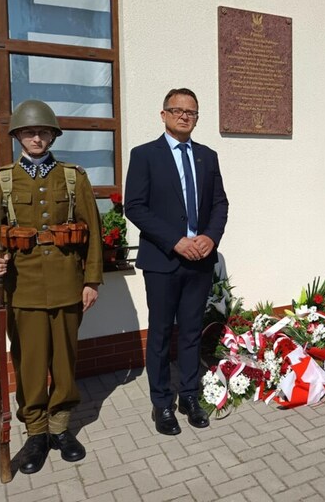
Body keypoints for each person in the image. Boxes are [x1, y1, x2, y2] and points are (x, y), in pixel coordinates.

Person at [0, 99, 103, 474]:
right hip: (22, 289)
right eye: (28, 132)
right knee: (30, 363)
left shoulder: (73, 178)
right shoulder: (2, 181)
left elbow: (93, 233)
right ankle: (36, 432)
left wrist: (91, 280)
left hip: (68, 285)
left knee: (65, 362)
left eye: (42, 132)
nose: (36, 138)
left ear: (53, 135)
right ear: (17, 136)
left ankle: (60, 427)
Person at [124, 87, 228, 436]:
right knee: (160, 333)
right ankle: (162, 403)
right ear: (164, 114)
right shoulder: (144, 155)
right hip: (163, 260)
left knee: (192, 332)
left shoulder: (207, 156)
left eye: (191, 112)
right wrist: (175, 241)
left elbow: (220, 204)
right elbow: (135, 206)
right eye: (177, 110)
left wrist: (210, 237)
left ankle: (190, 396)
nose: (184, 116)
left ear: (196, 118)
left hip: (199, 260)